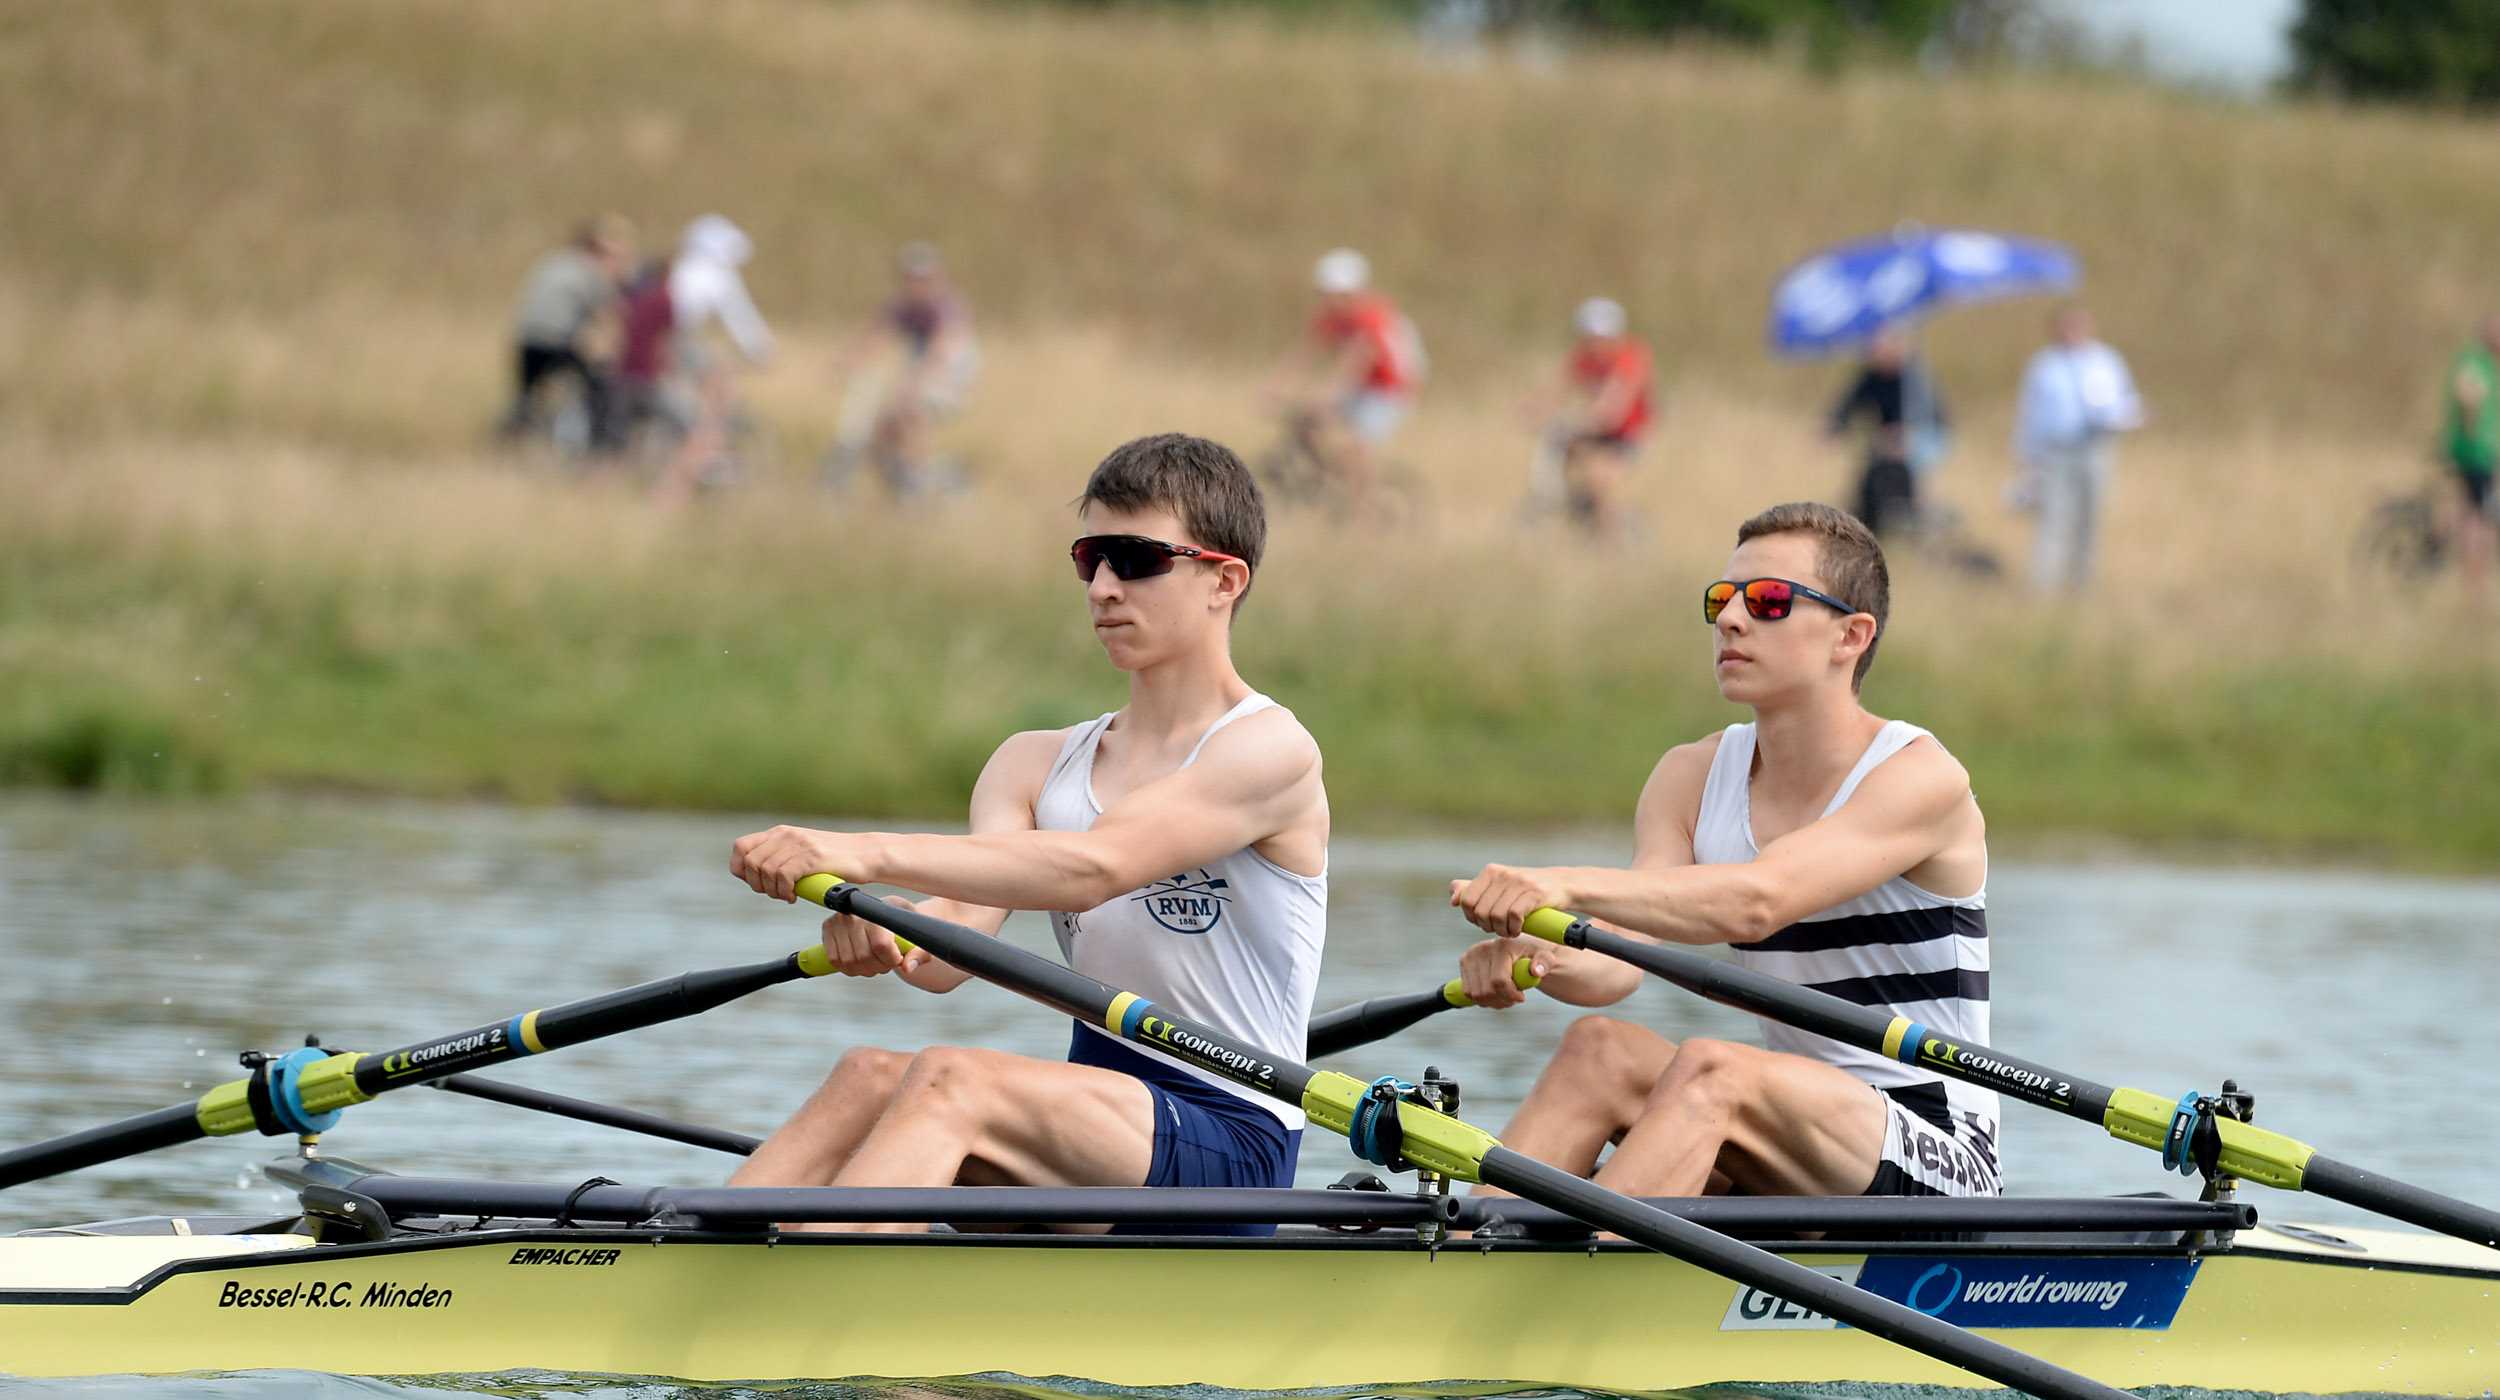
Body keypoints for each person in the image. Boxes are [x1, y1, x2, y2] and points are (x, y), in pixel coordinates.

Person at [724, 434, 1329, 1233]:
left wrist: (862, 849)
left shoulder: (1270, 751)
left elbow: (1093, 866)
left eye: (1136, 558)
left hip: (1232, 1137)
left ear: (1225, 580)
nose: (1105, 587)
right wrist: (886, 925)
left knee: (952, 1080)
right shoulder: (1032, 764)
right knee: (868, 1074)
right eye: (1090, 559)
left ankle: (812, 1323)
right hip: (1101, 1124)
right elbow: (947, 954)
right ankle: (677, 1274)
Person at [1447, 502, 1997, 1202]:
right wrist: (1537, 956)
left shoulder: (1921, 778)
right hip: (1789, 1132)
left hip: (1937, 1146)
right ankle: (1475, 1250)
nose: (1732, 619)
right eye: (1722, 600)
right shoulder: (1691, 776)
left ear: (1851, 636)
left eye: (1768, 601)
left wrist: (1562, 883)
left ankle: (1573, 1284)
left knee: (1716, 1069)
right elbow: (1618, 957)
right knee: (1598, 1050)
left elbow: (1758, 901)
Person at [1262, 248, 1424, 511]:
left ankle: (1366, 513)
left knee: (1353, 449)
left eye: (1339, 295)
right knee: (1307, 429)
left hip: (1389, 390)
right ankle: (1329, 486)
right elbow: (1303, 354)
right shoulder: (1330, 319)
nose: (1333, 302)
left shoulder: (1372, 318)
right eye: (1326, 295)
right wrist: (1275, 386)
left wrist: (1324, 398)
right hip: (1361, 386)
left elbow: (1353, 366)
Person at [824, 242, 981, 499]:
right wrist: (845, 362)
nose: (916, 285)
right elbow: (873, 336)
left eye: (922, 279)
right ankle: (905, 478)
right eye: (910, 279)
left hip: (951, 378)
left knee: (911, 410)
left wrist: (914, 379)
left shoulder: (945, 307)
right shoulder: (903, 306)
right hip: (920, 373)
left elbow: (940, 353)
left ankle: (916, 481)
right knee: (880, 431)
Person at [2012, 306, 2142, 595]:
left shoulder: (2107, 361)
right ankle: (2041, 589)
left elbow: (2126, 400)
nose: (2071, 333)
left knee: (2091, 517)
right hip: (2057, 450)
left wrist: (2123, 417)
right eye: (2066, 327)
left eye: (2077, 326)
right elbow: (2029, 413)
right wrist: (2026, 455)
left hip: (2097, 447)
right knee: (2054, 519)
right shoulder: (2044, 365)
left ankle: (2083, 588)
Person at [651, 214, 775, 510]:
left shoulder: (680, 268)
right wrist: (762, 350)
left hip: (664, 339)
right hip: (678, 338)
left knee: (705, 373)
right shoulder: (716, 274)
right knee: (718, 391)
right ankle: (708, 444)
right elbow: (740, 318)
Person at [1522, 298, 1657, 542]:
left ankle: (1612, 541)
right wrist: (1533, 408)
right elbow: (1557, 386)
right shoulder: (1583, 356)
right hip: (1597, 430)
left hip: (1629, 431)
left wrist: (1582, 420)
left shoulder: (1631, 356)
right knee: (1563, 466)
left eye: (1604, 338)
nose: (1597, 345)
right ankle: (1575, 516)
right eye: (1591, 337)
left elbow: (1615, 402)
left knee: (1600, 480)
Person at [498, 215, 635, 447]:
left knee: (526, 396)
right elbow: (607, 314)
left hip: (526, 339)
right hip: (557, 341)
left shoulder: (553, 262)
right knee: (597, 386)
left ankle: (509, 438)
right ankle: (598, 445)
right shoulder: (589, 271)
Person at [1827, 324, 1946, 540]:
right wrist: (1834, 425)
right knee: (1873, 464)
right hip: (1885, 442)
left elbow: (1927, 418)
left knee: (1895, 463)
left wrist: (1902, 435)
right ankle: (1867, 522)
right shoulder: (1872, 376)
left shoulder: (1912, 378)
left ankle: (1910, 517)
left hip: (1925, 436)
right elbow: (1850, 403)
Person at [2439, 314, 2500, 603]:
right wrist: (2474, 431)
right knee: (2482, 517)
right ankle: (2475, 592)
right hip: (2474, 454)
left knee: (2474, 511)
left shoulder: (2488, 363)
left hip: (2481, 453)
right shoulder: (2476, 360)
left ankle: (2441, 529)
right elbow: (2468, 394)